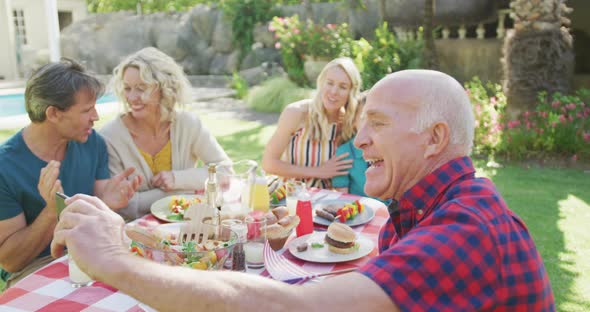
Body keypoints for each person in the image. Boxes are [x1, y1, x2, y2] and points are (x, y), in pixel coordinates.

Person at [51, 70, 555, 311]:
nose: (359, 140)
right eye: (361, 124)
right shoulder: (426, 209)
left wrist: (115, 261)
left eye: (376, 124)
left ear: (435, 139)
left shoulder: (466, 229)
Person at [0, 59, 141, 290]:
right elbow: (11, 261)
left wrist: (107, 202)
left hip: (90, 254)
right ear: (54, 113)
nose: (95, 116)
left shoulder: (92, 142)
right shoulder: (4, 167)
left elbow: (96, 219)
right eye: (87, 110)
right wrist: (51, 212)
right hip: (35, 268)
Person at [100, 47, 230, 220]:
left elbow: (225, 171)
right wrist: (183, 193)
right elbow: (124, 205)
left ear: (164, 88)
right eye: (127, 88)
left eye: (141, 88)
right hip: (136, 237)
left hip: (189, 230)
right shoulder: (110, 137)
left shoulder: (188, 124)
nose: (132, 97)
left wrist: (177, 179)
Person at [262, 57, 360, 189]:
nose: (333, 91)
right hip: (290, 195)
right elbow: (269, 163)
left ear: (351, 92)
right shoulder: (297, 113)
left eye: (343, 87)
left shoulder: (350, 122)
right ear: (321, 83)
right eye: (330, 83)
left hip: (329, 198)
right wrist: (319, 172)